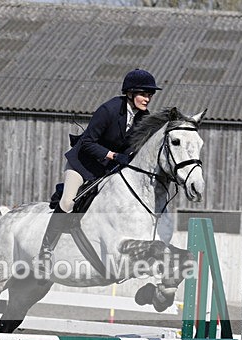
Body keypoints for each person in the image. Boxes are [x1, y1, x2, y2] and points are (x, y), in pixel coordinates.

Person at [36, 69, 161, 275]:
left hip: (107, 170)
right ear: (130, 93)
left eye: (150, 95)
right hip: (83, 165)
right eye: (143, 94)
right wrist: (113, 155)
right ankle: (45, 251)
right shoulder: (109, 109)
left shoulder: (143, 117)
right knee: (68, 202)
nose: (147, 99)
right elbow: (87, 143)